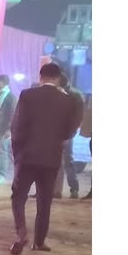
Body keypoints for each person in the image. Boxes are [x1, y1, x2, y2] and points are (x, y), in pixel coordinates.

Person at [9, 61, 83, 254]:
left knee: (19, 197)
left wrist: (17, 153)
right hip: (51, 158)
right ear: (58, 79)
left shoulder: (27, 95)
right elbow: (70, 131)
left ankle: (21, 234)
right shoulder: (68, 101)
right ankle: (39, 242)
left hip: (27, 156)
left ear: (40, 77)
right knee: (44, 201)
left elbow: (17, 126)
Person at [52, 71, 86, 199]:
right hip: (54, 131)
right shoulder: (56, 92)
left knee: (67, 161)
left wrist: (70, 134)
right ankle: (54, 189)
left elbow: (78, 117)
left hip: (67, 132)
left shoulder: (75, 95)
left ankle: (74, 188)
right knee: (54, 161)